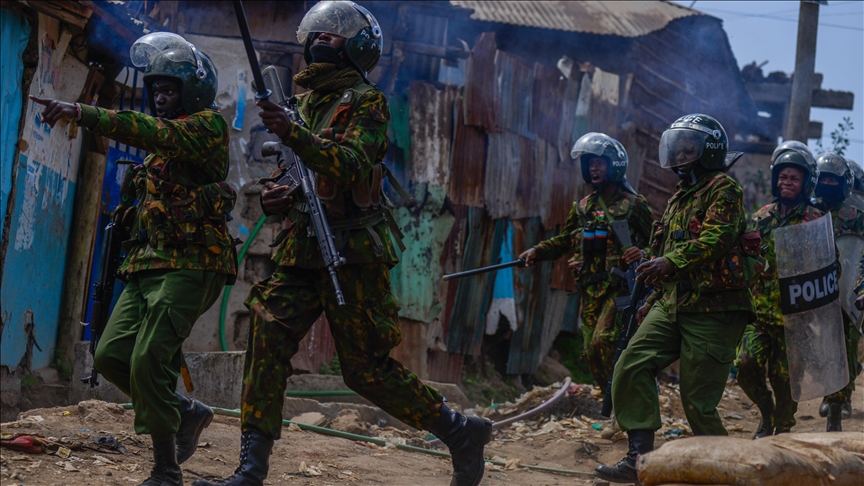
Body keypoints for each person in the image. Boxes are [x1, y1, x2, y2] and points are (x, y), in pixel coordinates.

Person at [193, 3, 489, 486]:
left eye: (333, 38)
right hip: (300, 247)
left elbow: (349, 163)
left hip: (354, 251)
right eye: (317, 36)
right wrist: (276, 196)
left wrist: (296, 134)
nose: (320, 44)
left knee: (364, 370)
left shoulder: (368, 103)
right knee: (266, 339)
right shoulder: (304, 104)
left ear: (357, 48)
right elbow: (295, 175)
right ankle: (249, 472)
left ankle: (458, 432)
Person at [31, 33, 235, 486]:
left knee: (148, 360)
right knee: (112, 355)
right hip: (146, 267)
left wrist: (83, 112)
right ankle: (186, 411)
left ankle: (165, 469)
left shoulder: (206, 127)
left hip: (192, 265)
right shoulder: (158, 157)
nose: (160, 100)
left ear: (192, 91)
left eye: (169, 91)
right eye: (155, 91)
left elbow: (149, 130)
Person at [595, 114, 761, 483]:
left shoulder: (724, 188)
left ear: (709, 153)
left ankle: (731, 474)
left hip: (715, 309)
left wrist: (668, 263)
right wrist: (650, 299)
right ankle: (639, 461)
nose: (681, 155)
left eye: (690, 149)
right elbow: (663, 252)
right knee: (631, 366)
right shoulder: (678, 197)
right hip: (671, 304)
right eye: (678, 147)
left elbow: (715, 240)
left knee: (698, 404)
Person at [518, 132, 654, 394]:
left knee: (605, 342)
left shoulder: (633, 205)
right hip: (591, 288)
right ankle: (614, 400)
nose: (593, 168)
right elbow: (565, 240)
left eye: (599, 163)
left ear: (614, 165)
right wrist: (537, 251)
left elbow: (659, 243)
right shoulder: (581, 207)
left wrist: (642, 254)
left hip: (620, 288)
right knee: (590, 351)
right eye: (589, 163)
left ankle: (627, 397)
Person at [734, 141, 822, 439]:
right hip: (759, 310)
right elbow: (748, 256)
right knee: (745, 365)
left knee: (784, 378)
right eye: (783, 177)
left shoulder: (816, 220)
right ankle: (766, 412)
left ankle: (783, 427)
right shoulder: (762, 216)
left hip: (795, 314)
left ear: (805, 183)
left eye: (794, 178)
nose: (787, 182)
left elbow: (828, 267)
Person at [812, 152, 864, 431]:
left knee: (843, 347)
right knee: (821, 349)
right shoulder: (808, 212)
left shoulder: (858, 217)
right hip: (811, 293)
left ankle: (837, 403)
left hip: (848, 292)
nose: (828, 184)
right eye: (824, 178)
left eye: (834, 179)